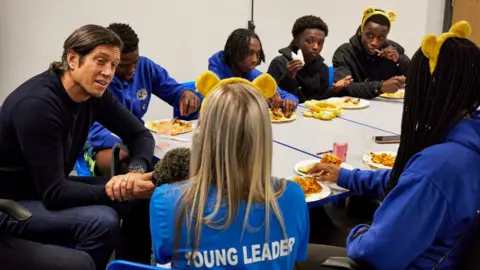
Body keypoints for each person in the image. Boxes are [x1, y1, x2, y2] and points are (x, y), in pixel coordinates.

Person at [307, 21, 480, 269]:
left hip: (402, 260)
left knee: (297, 252)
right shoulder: (464, 143)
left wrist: (359, 232)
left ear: (430, 89)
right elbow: (407, 178)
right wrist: (346, 176)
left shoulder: (437, 167)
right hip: (438, 254)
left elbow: (376, 253)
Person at [0, 24, 157, 269]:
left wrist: (134, 174)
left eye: (114, 65)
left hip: (46, 188)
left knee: (143, 195)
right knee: (102, 221)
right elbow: (54, 193)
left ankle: (128, 266)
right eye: (101, 61)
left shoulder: (95, 95)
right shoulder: (38, 105)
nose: (108, 72)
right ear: (73, 59)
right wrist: (122, 189)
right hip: (11, 201)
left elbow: (140, 135)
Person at [149, 71, 309, 268]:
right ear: (264, 135)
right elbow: (296, 257)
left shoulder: (167, 201)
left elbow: (162, 255)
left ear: (201, 134)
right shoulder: (294, 196)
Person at [84, 23, 201, 177]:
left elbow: (171, 89)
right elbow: (94, 130)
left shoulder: (145, 66)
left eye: (135, 63)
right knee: (123, 158)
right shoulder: (99, 81)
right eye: (124, 65)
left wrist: (185, 93)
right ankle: (127, 196)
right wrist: (133, 141)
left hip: (136, 134)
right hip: (99, 142)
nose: (132, 69)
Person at [208, 28, 299, 117]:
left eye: (258, 54)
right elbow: (223, 108)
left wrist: (288, 102)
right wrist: (260, 99)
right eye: (249, 53)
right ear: (234, 52)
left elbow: (288, 96)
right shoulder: (215, 75)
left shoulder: (253, 74)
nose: (255, 60)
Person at [268, 15, 353, 103]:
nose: (316, 47)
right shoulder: (279, 63)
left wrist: (333, 90)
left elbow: (320, 100)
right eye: (310, 41)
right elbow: (271, 97)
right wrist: (289, 77)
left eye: (320, 43)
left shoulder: (322, 68)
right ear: (297, 40)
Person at [332, 6, 410, 99]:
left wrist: (399, 60)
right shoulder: (344, 53)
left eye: (381, 37)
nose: (374, 43)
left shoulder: (392, 49)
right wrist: (381, 87)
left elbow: (415, 76)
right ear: (361, 31)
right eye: (370, 35)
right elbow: (346, 87)